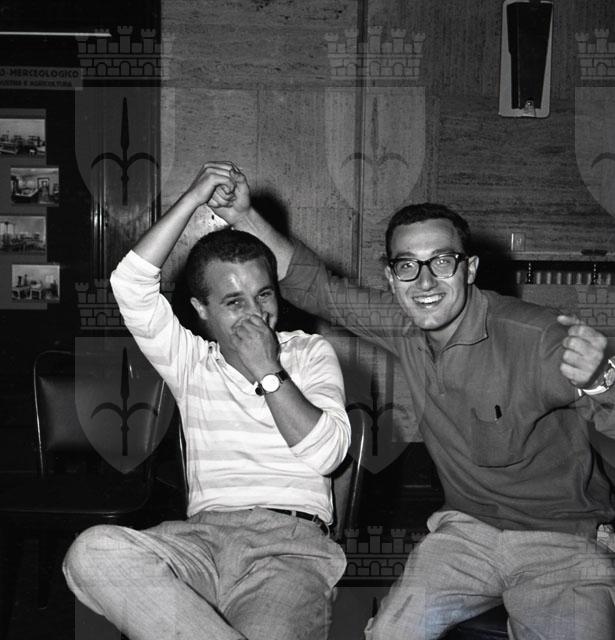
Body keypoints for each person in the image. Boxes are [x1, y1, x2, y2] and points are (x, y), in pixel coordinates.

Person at [212, 163, 615, 639]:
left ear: (470, 268)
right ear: (391, 276)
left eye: (442, 262)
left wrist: (603, 381)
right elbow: (318, 288)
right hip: (466, 532)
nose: (425, 283)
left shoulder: (537, 336)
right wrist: (244, 215)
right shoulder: (405, 324)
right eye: (408, 266)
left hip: (563, 540)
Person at [62, 162, 351, 640]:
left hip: (290, 547)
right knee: (92, 553)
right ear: (201, 310)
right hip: (200, 540)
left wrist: (269, 371)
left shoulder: (308, 352)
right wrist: (193, 197)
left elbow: (328, 455)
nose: (257, 314)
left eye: (264, 295)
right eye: (234, 302)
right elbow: (129, 285)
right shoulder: (191, 360)